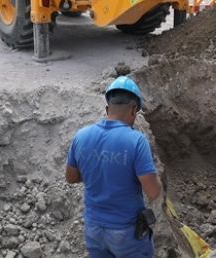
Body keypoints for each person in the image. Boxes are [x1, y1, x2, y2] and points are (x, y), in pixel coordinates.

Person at [66, 76, 161, 257]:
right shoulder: (136, 141)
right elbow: (153, 192)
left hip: (93, 229)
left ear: (107, 108)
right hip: (126, 233)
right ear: (133, 109)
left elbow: (71, 177)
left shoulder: (81, 136)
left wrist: (101, 172)